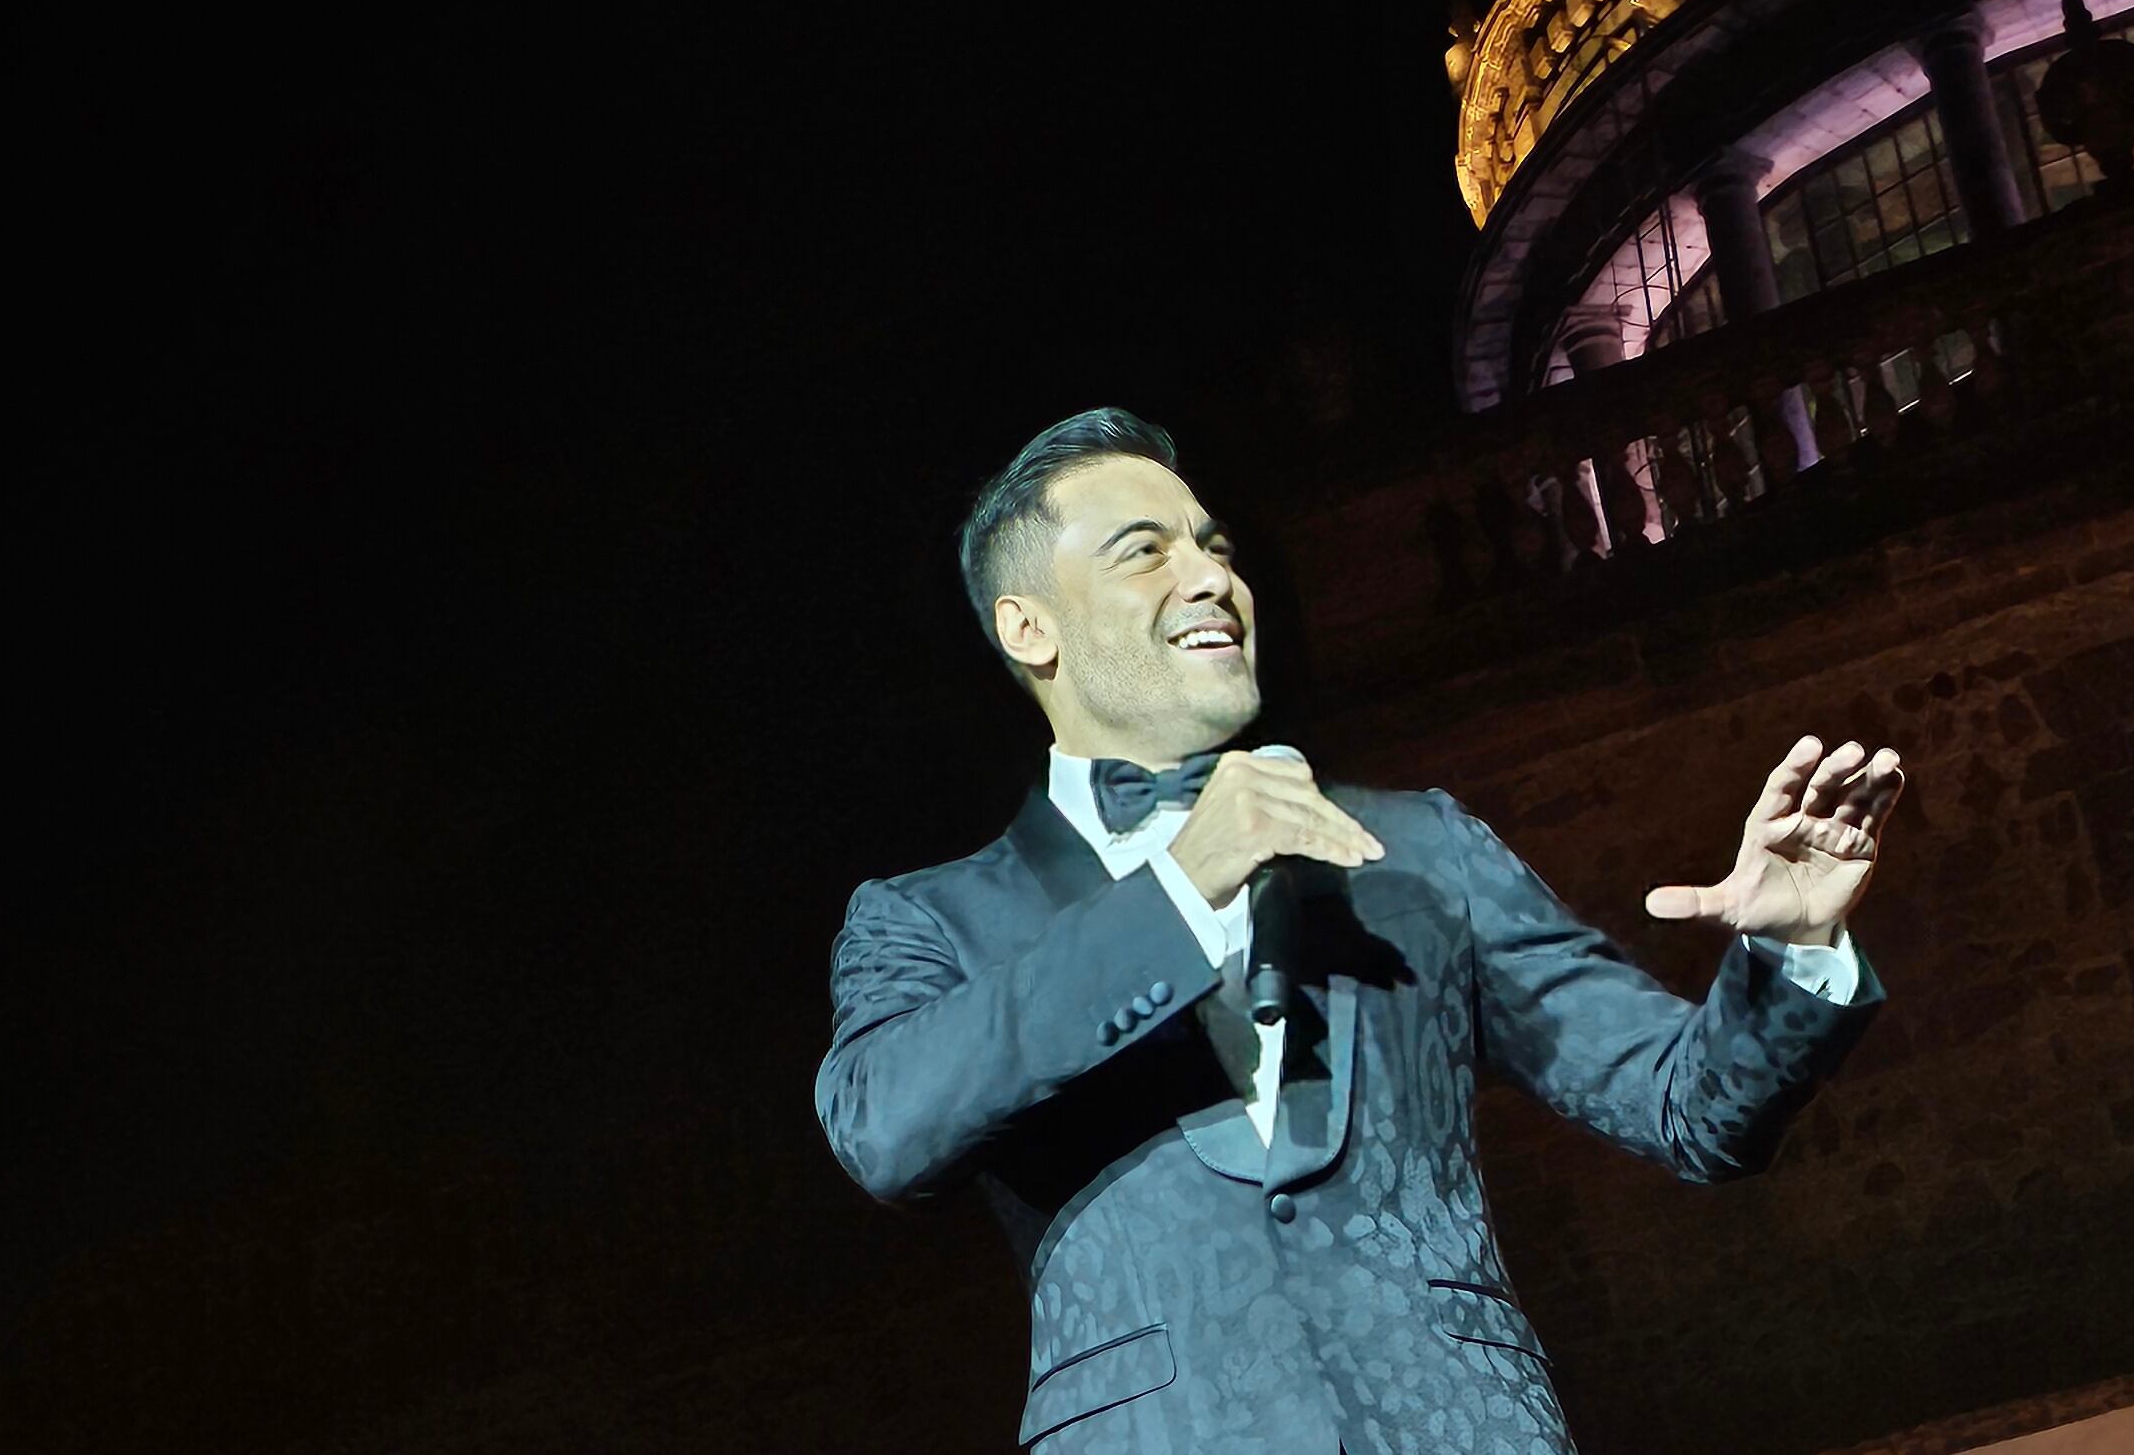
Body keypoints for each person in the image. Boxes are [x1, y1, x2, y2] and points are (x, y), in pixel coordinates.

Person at [815, 409, 1903, 1452]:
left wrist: (1793, 949)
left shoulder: (1419, 848)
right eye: (1144, 551)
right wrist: (1181, 887)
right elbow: (885, 1128)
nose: (1211, 577)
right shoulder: (934, 917)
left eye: (1214, 546)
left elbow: (1689, 1108)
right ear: (1029, 626)